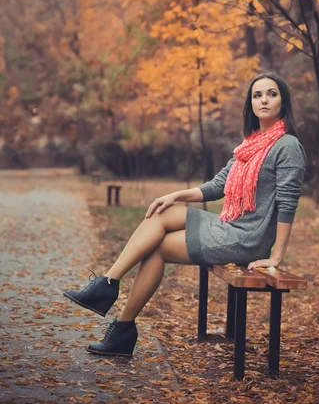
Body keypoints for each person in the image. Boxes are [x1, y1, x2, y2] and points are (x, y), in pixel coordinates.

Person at [64, 72, 306, 358]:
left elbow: (289, 203)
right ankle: (109, 287)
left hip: (248, 238)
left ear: (283, 100)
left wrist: (276, 257)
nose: (264, 100)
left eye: (271, 93)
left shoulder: (287, 146)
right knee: (162, 213)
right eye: (257, 95)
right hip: (229, 224)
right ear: (250, 104)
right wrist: (175, 195)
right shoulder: (250, 143)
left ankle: (117, 318)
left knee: (156, 250)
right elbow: (218, 186)